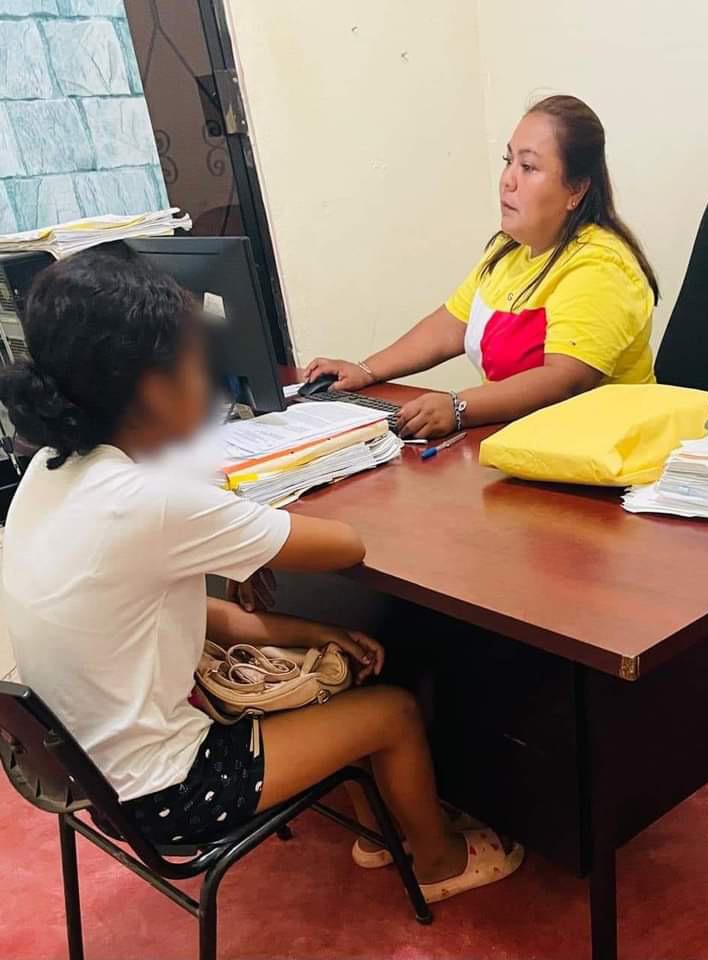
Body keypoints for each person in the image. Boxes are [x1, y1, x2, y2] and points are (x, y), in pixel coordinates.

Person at [0, 248, 522, 904]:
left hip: (88, 777)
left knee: (334, 671)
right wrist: (212, 496)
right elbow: (344, 544)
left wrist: (310, 631)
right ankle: (439, 862)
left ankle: (379, 833)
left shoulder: (49, 472)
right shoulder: (148, 501)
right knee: (394, 711)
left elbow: (180, 615)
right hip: (167, 792)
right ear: (154, 388)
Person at [305, 95, 659, 439]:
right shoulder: (509, 250)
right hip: (519, 444)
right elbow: (449, 327)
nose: (508, 180)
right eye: (508, 161)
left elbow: (564, 379)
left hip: (600, 455)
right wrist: (365, 370)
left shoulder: (601, 266)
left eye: (528, 167)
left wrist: (459, 407)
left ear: (576, 190)